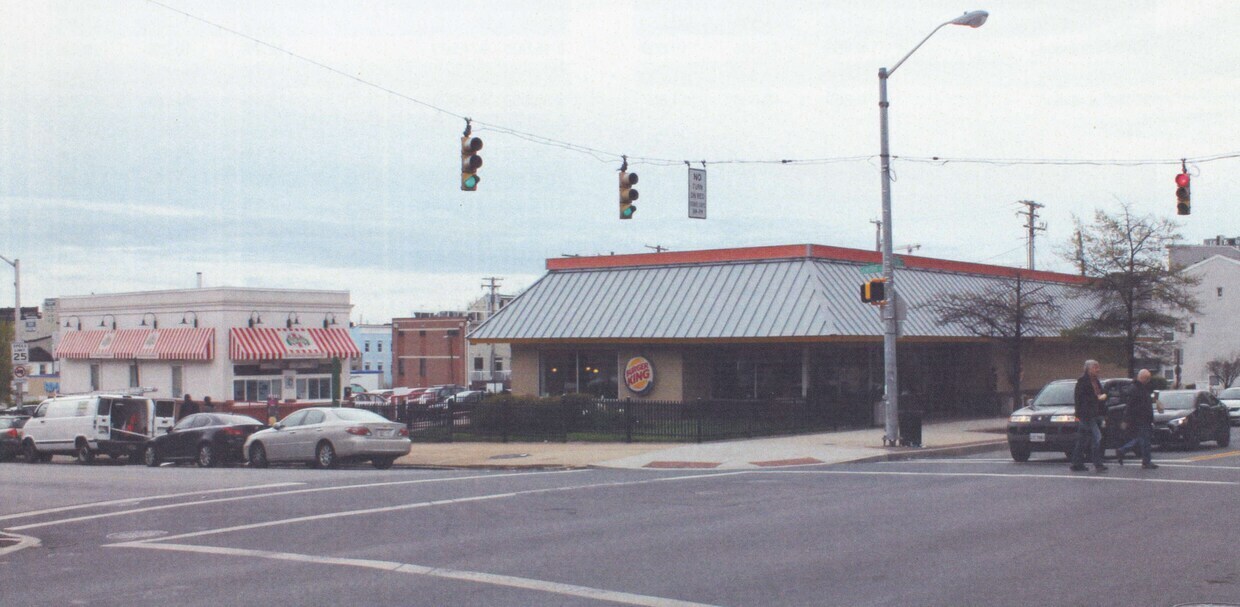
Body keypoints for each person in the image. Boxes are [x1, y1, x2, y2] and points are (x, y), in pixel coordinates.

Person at [1115, 369, 1164, 469]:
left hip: (1144, 417)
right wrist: (1126, 419)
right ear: (1142, 378)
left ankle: (1122, 450)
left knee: (1142, 439)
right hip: (1140, 418)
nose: (1148, 380)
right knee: (1145, 440)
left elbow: (1146, 401)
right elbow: (1129, 406)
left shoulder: (1142, 388)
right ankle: (1146, 461)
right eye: (1147, 378)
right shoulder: (1135, 389)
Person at [1070, 359, 1109, 472]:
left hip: (1096, 414)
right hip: (1087, 415)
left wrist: (1104, 401)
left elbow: (1101, 395)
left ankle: (1076, 463)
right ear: (1088, 369)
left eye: (1098, 367)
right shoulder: (1082, 382)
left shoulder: (1096, 381)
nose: (1098, 369)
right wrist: (1097, 398)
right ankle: (1098, 463)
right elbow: (1082, 399)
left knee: (1082, 440)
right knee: (1097, 438)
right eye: (1095, 367)